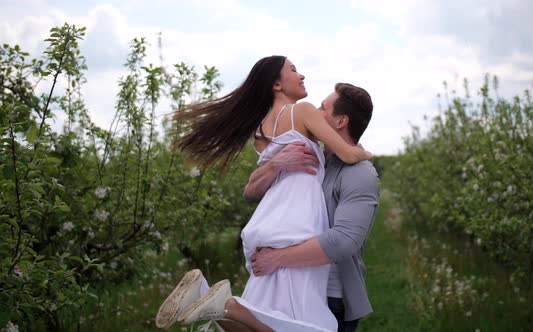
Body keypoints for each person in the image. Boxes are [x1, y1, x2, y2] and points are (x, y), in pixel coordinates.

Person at [155, 55, 372, 332]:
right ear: (277, 84)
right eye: (294, 70)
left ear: (341, 120)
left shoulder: (261, 130)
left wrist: (274, 164)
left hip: (271, 217)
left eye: (325, 108)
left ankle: (202, 296)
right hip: (299, 220)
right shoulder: (303, 112)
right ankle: (228, 306)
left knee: (268, 316)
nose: (302, 75)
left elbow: (252, 188)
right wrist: (367, 154)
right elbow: (349, 153)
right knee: (305, 324)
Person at [246, 82, 379, 332]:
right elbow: (250, 192)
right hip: (290, 285)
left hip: (330, 299)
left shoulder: (360, 174)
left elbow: (342, 241)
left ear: (340, 122)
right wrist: (276, 165)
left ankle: (225, 308)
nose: (315, 113)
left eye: (323, 108)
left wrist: (276, 259)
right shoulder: (310, 159)